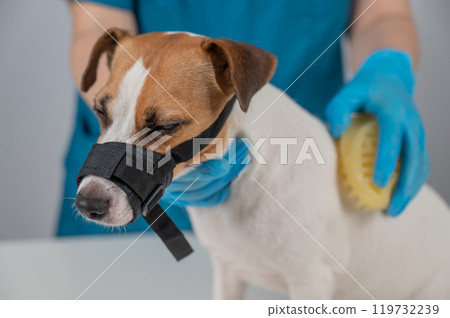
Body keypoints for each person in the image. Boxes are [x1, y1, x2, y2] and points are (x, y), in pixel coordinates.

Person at [57, 0, 429, 236]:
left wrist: (388, 68)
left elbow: (384, 11)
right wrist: (123, 108)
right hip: (138, 233)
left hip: (295, 170)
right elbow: (95, 21)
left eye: (165, 125)